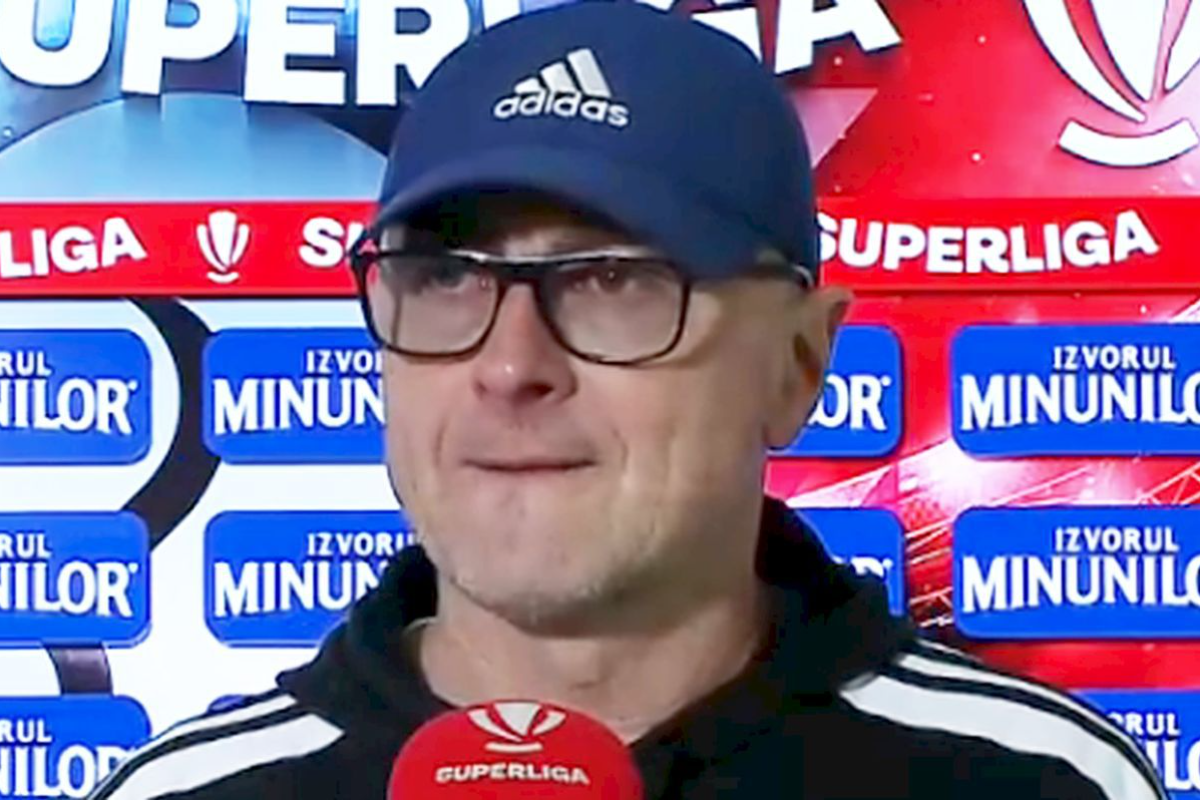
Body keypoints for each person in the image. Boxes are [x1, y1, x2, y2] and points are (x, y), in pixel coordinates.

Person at [90, 2, 1165, 798]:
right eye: (448, 277)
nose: (510, 365)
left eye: (612, 280)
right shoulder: (176, 795)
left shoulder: (1050, 781)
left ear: (798, 363)